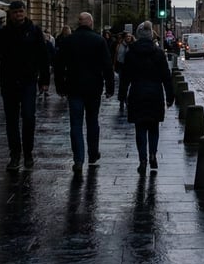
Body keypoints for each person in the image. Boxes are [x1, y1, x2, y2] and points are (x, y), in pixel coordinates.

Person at [0, 0, 50, 171]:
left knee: (29, 117)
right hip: (9, 81)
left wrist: (45, 80)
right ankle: (14, 154)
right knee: (11, 119)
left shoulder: (35, 31)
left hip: (29, 81)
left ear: (25, 12)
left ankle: (28, 153)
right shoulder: (2, 33)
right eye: (15, 12)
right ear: (10, 14)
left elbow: (43, 57)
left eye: (21, 11)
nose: (18, 15)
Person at [54, 12, 114, 173]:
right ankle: (93, 154)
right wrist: (110, 87)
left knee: (76, 124)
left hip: (74, 87)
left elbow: (59, 66)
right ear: (91, 23)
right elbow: (107, 66)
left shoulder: (68, 41)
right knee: (92, 121)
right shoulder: (99, 40)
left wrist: (60, 86)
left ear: (79, 23)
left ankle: (78, 159)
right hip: (93, 87)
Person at [123, 21, 175, 174]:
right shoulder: (158, 53)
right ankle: (152, 153)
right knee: (153, 127)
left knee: (140, 128)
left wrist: (122, 94)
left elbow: (125, 76)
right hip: (155, 94)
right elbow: (166, 76)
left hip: (137, 93)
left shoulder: (131, 52)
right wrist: (170, 96)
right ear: (151, 35)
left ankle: (143, 159)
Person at [115, 32, 133, 111]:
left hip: (130, 68)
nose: (128, 37)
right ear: (124, 37)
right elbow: (116, 56)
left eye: (129, 36)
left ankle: (128, 99)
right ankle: (122, 101)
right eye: (127, 36)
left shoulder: (133, 45)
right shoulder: (120, 45)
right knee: (123, 85)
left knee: (131, 85)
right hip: (122, 67)